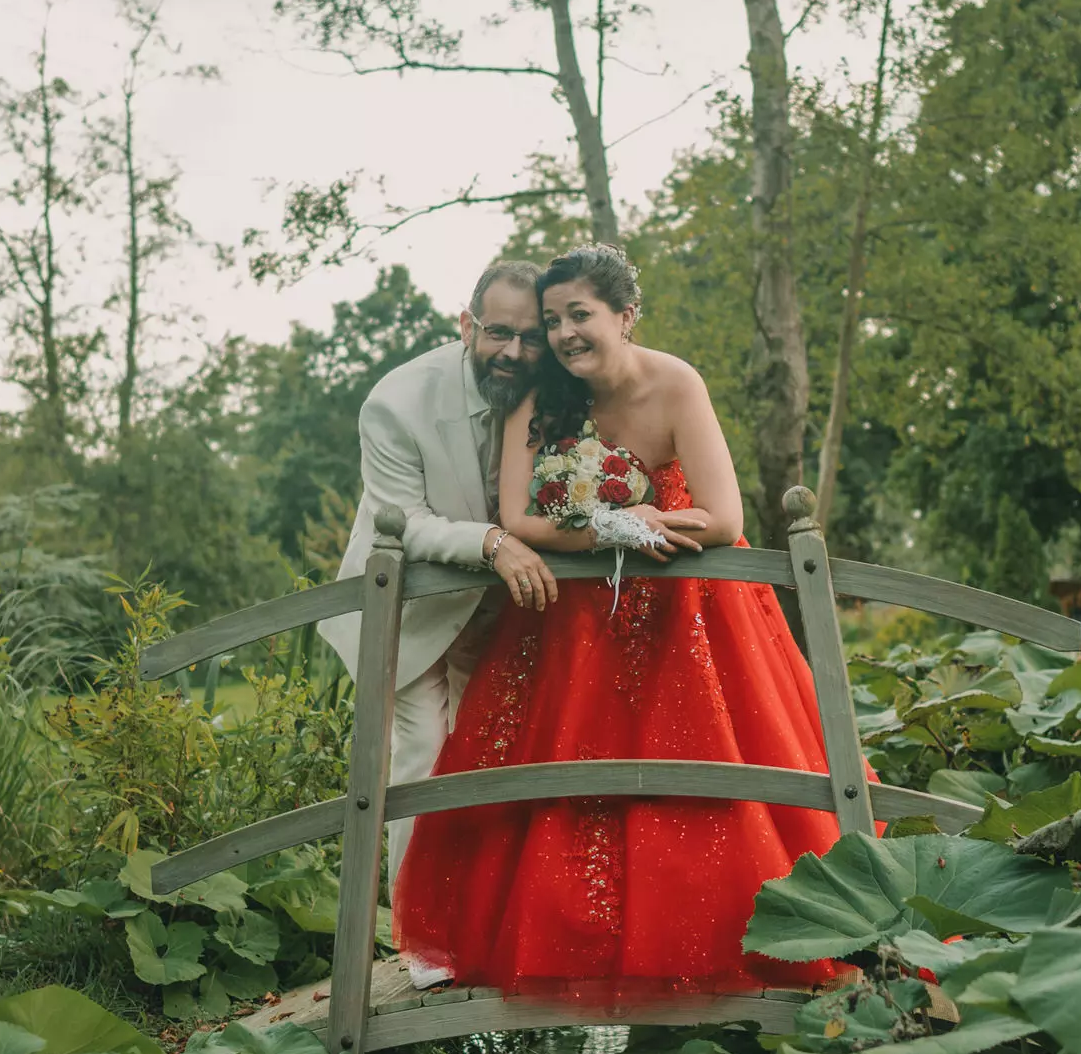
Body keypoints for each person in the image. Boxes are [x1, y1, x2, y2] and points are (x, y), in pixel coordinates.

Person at [391, 244, 857, 1005]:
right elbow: (518, 517)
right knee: (568, 782)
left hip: (686, 614)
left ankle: (745, 937)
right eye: (555, 320)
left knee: (704, 773)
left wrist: (650, 523)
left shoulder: (676, 384)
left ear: (625, 315)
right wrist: (608, 529)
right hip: (573, 626)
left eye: (582, 315)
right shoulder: (538, 399)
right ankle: (581, 943)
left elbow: (724, 516)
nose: (566, 333)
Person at [318, 260, 560, 949]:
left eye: (529, 337)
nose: (513, 352)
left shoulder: (553, 390)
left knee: (497, 757)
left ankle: (490, 925)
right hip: (413, 611)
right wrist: (494, 542)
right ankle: (421, 940)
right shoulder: (397, 402)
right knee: (422, 756)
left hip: (502, 611)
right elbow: (406, 521)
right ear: (467, 325)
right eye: (498, 333)